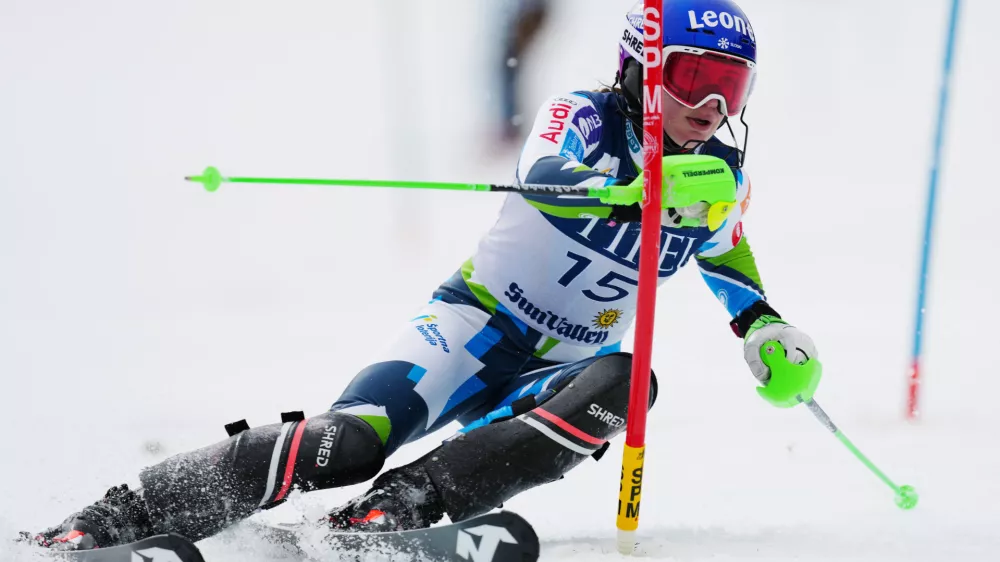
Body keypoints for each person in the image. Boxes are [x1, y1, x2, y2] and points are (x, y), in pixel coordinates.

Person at [28, 0, 819, 551]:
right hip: (474, 328)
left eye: (733, 85)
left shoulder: (717, 177)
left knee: (628, 381)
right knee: (348, 443)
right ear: (643, 66)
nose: (712, 104)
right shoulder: (585, 116)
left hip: (558, 371)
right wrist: (611, 190)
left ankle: (392, 515)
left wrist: (764, 327)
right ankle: (119, 516)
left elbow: (725, 250)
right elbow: (541, 165)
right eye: (692, 79)